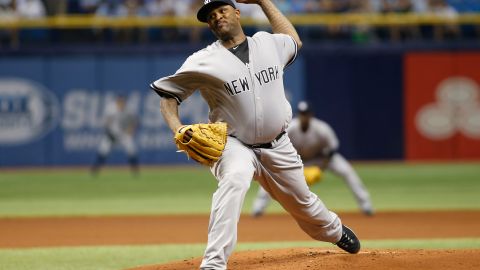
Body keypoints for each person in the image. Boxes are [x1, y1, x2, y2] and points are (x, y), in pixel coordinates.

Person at [150, 1, 360, 269]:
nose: (217, 17)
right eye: (210, 16)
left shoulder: (268, 43)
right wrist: (177, 128)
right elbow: (168, 97)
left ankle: (334, 230)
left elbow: (293, 41)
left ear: (237, 13)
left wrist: (263, 2)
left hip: (278, 144)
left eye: (222, 10)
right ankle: (214, 263)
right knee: (235, 179)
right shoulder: (202, 60)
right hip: (234, 144)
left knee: (304, 205)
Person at [252, 100, 375, 217]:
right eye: (301, 114)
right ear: (298, 115)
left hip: (321, 159)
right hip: (298, 159)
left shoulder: (322, 129)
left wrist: (320, 169)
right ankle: (258, 207)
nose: (304, 116)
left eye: (306, 114)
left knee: (346, 171)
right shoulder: (291, 128)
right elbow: (278, 147)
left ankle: (366, 205)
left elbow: (331, 150)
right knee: (272, 173)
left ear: (311, 115)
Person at [91, 95, 139, 176]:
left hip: (124, 135)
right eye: (119, 102)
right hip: (112, 134)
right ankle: (96, 169)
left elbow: (135, 121)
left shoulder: (129, 110)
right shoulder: (111, 109)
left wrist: (131, 129)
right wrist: (108, 133)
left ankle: (135, 171)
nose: (121, 104)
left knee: (131, 149)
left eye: (122, 102)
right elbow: (106, 123)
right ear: (116, 102)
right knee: (103, 150)